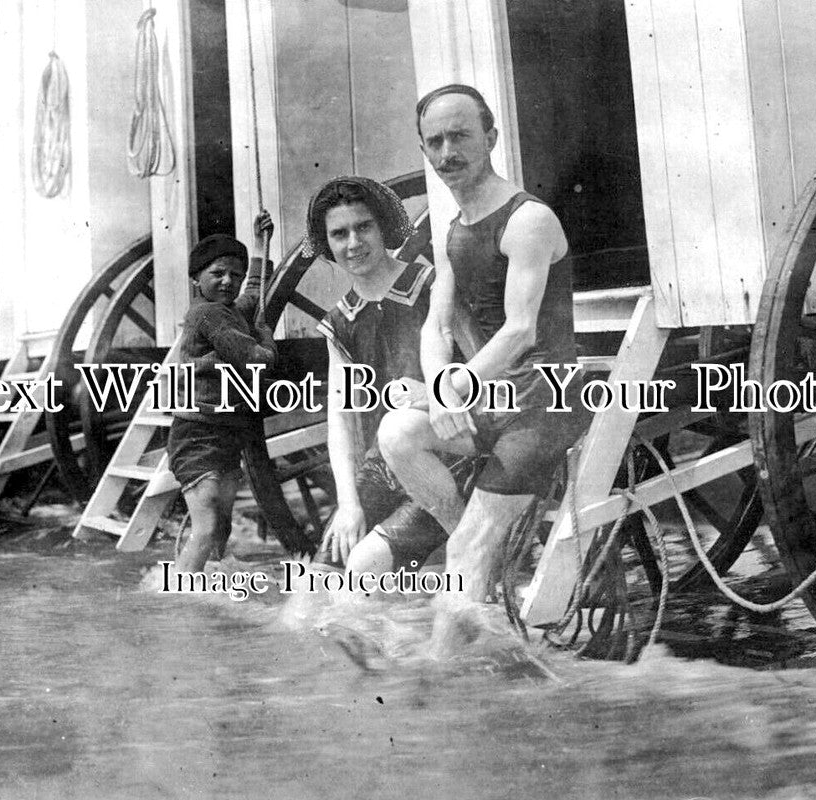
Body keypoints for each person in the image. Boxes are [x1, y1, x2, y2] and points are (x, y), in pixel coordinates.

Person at [377, 84, 586, 643]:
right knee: (398, 431)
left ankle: (451, 677)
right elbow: (436, 327)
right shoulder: (452, 230)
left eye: (460, 136)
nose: (447, 152)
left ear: (491, 137)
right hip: (490, 401)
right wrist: (443, 385)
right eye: (435, 141)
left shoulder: (527, 220)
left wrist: (461, 384)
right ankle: (468, 548)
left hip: (543, 407)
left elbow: (521, 330)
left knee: (464, 562)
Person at [307, 176, 477, 577]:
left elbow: (490, 367)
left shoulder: (432, 287)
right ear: (326, 243)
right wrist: (348, 504)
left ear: (383, 225)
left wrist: (437, 391)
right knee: (313, 587)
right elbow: (342, 424)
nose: (353, 243)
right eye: (339, 233)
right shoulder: (340, 322)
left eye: (363, 227)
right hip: (382, 469)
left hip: (447, 458)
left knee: (360, 571)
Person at [167, 212, 283, 573]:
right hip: (198, 434)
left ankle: (211, 589)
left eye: (234, 273)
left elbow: (254, 292)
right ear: (196, 279)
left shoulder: (230, 309)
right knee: (206, 527)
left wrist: (261, 244)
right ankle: (179, 601)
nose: (228, 281)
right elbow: (259, 360)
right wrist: (264, 335)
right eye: (217, 273)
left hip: (227, 432)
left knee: (222, 526)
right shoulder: (208, 316)